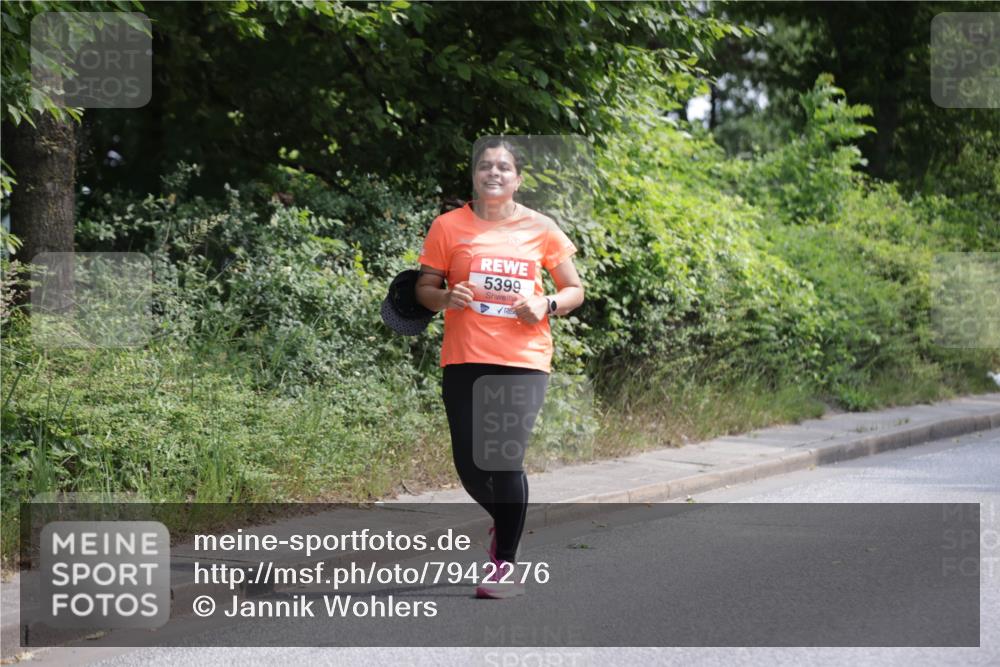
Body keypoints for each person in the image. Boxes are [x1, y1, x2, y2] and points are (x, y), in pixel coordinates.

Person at [415, 138, 584, 599]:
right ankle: (506, 519)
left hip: (522, 360)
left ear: (517, 179)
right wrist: (446, 297)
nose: (493, 173)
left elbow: (574, 289)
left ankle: (504, 565)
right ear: (474, 175)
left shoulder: (541, 227)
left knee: (505, 458)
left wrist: (545, 301)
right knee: (469, 466)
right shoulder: (448, 227)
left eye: (503, 167)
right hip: (465, 355)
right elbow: (424, 289)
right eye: (485, 166)